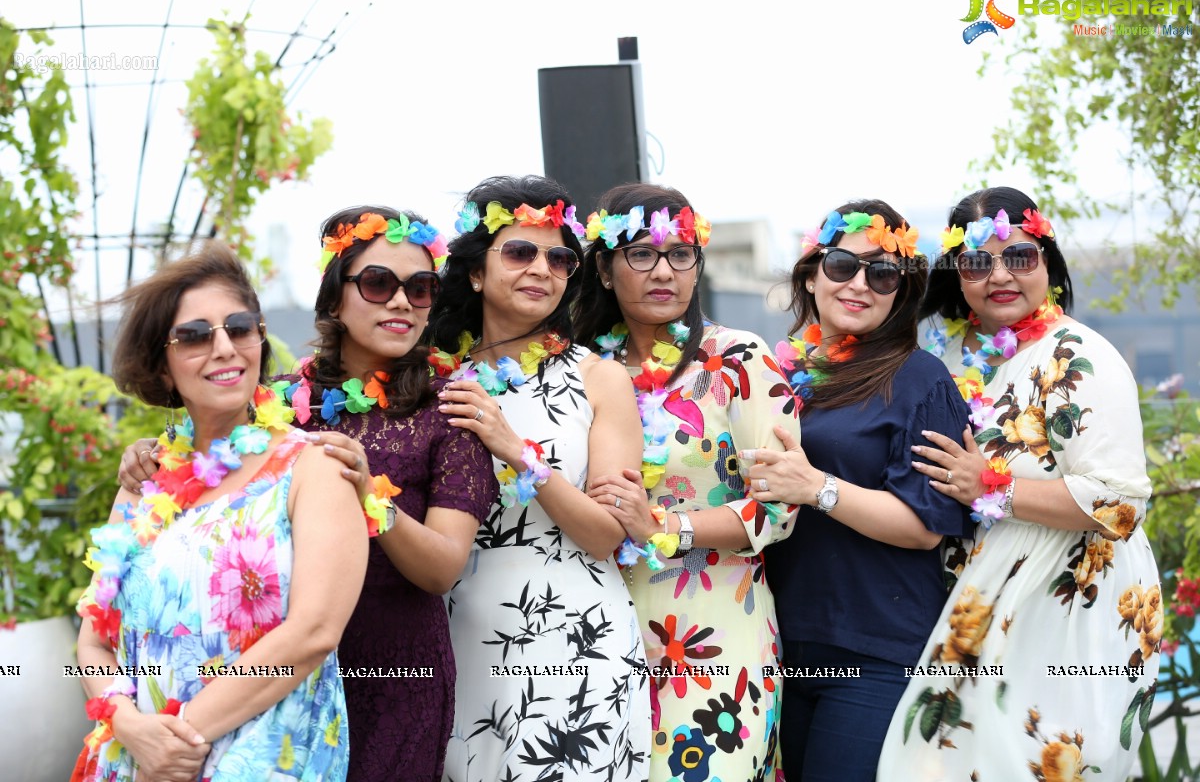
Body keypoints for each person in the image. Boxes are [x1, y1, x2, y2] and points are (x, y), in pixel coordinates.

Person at [118, 206, 499, 781]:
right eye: (377, 283)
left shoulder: (449, 411)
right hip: (264, 673)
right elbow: (209, 468)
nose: (400, 301)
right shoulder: (273, 394)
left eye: (420, 288)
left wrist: (373, 497)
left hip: (394, 671)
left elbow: (443, 570)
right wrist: (149, 452)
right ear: (333, 298)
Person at [876, 187, 1159, 781]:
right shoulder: (944, 355)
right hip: (967, 594)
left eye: (1020, 257)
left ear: (1048, 265)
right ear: (958, 273)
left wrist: (992, 486)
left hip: (1069, 601)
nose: (999, 275)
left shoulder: (1083, 356)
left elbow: (1120, 504)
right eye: (978, 262)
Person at [73, 243, 367, 781]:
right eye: (193, 335)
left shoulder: (311, 466)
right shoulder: (144, 482)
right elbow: (93, 639)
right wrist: (132, 729)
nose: (224, 347)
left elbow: (314, 632)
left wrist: (178, 736)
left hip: (261, 756)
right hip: (135, 758)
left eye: (239, 327)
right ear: (161, 367)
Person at [737, 200, 973, 781]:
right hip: (784, 645)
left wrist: (818, 487)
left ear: (902, 290)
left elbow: (925, 528)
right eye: (843, 265)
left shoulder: (919, 379)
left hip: (875, 650)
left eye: (883, 273)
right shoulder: (787, 375)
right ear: (813, 274)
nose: (860, 284)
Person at [426, 175, 650, 782]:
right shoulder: (430, 382)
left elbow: (608, 536)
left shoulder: (600, 379)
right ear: (475, 271)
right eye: (521, 252)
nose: (542, 270)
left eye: (559, 258)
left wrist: (518, 453)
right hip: (459, 640)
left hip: (577, 643)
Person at [573, 182, 801, 782]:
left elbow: (778, 508)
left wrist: (667, 527)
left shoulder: (739, 359)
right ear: (603, 268)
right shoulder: (580, 370)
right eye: (641, 254)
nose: (663, 271)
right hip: (600, 625)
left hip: (719, 623)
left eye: (681, 254)